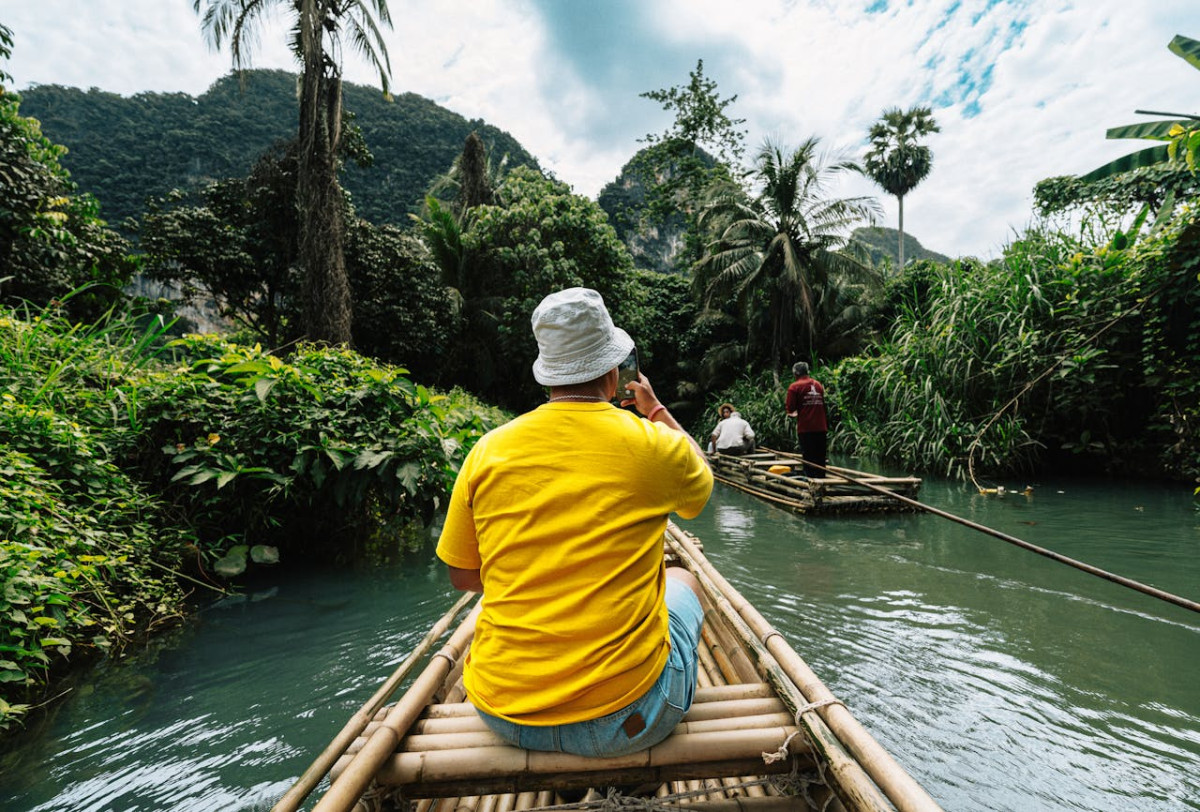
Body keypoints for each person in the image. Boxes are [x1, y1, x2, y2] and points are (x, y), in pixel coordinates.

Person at [436, 287, 714, 759]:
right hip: (628, 718)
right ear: (613, 371)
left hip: (504, 713)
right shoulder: (655, 445)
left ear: (547, 372)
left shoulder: (488, 450)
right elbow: (702, 477)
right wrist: (655, 409)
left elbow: (464, 576)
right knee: (683, 579)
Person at [785, 361, 827, 478]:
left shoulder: (795, 387)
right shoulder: (818, 385)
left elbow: (790, 408)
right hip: (821, 427)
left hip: (806, 427)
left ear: (796, 374)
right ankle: (822, 480)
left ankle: (811, 482)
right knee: (820, 457)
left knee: (808, 458)